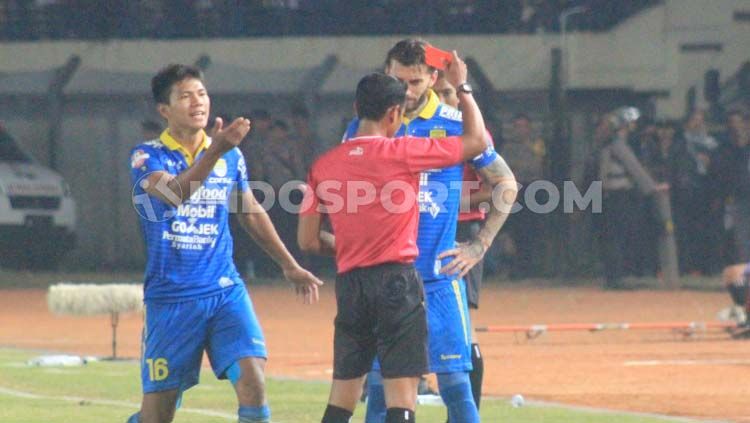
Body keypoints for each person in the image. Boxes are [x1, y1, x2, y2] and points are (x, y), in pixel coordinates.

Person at [127, 64, 322, 423]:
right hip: (173, 298)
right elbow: (174, 195)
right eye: (185, 96)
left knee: (253, 382)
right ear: (164, 110)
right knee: (158, 414)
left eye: (201, 94)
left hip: (224, 290)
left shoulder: (230, 155)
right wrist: (214, 152)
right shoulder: (146, 156)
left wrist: (288, 264)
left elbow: (249, 211)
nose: (197, 102)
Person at [299, 53, 489, 423]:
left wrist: (352, 248)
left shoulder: (322, 165)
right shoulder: (403, 152)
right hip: (397, 284)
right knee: (401, 399)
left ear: (357, 108)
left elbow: (307, 241)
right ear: (394, 115)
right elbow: (476, 141)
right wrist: (463, 87)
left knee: (343, 398)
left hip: (351, 284)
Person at [344, 39, 517, 423]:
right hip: (383, 281)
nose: (405, 91)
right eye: (397, 80)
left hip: (438, 280)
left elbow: (506, 183)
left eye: (415, 82)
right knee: (379, 389)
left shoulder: (456, 125)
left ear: (433, 79)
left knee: (456, 387)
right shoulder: (364, 127)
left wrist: (479, 245)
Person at [432, 71, 495, 414]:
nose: (442, 100)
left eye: (447, 93)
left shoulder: (472, 133)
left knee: (464, 329)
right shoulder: (425, 132)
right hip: (424, 234)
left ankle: (471, 410)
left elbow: (494, 188)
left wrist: (447, 201)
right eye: (436, 93)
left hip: (463, 234)